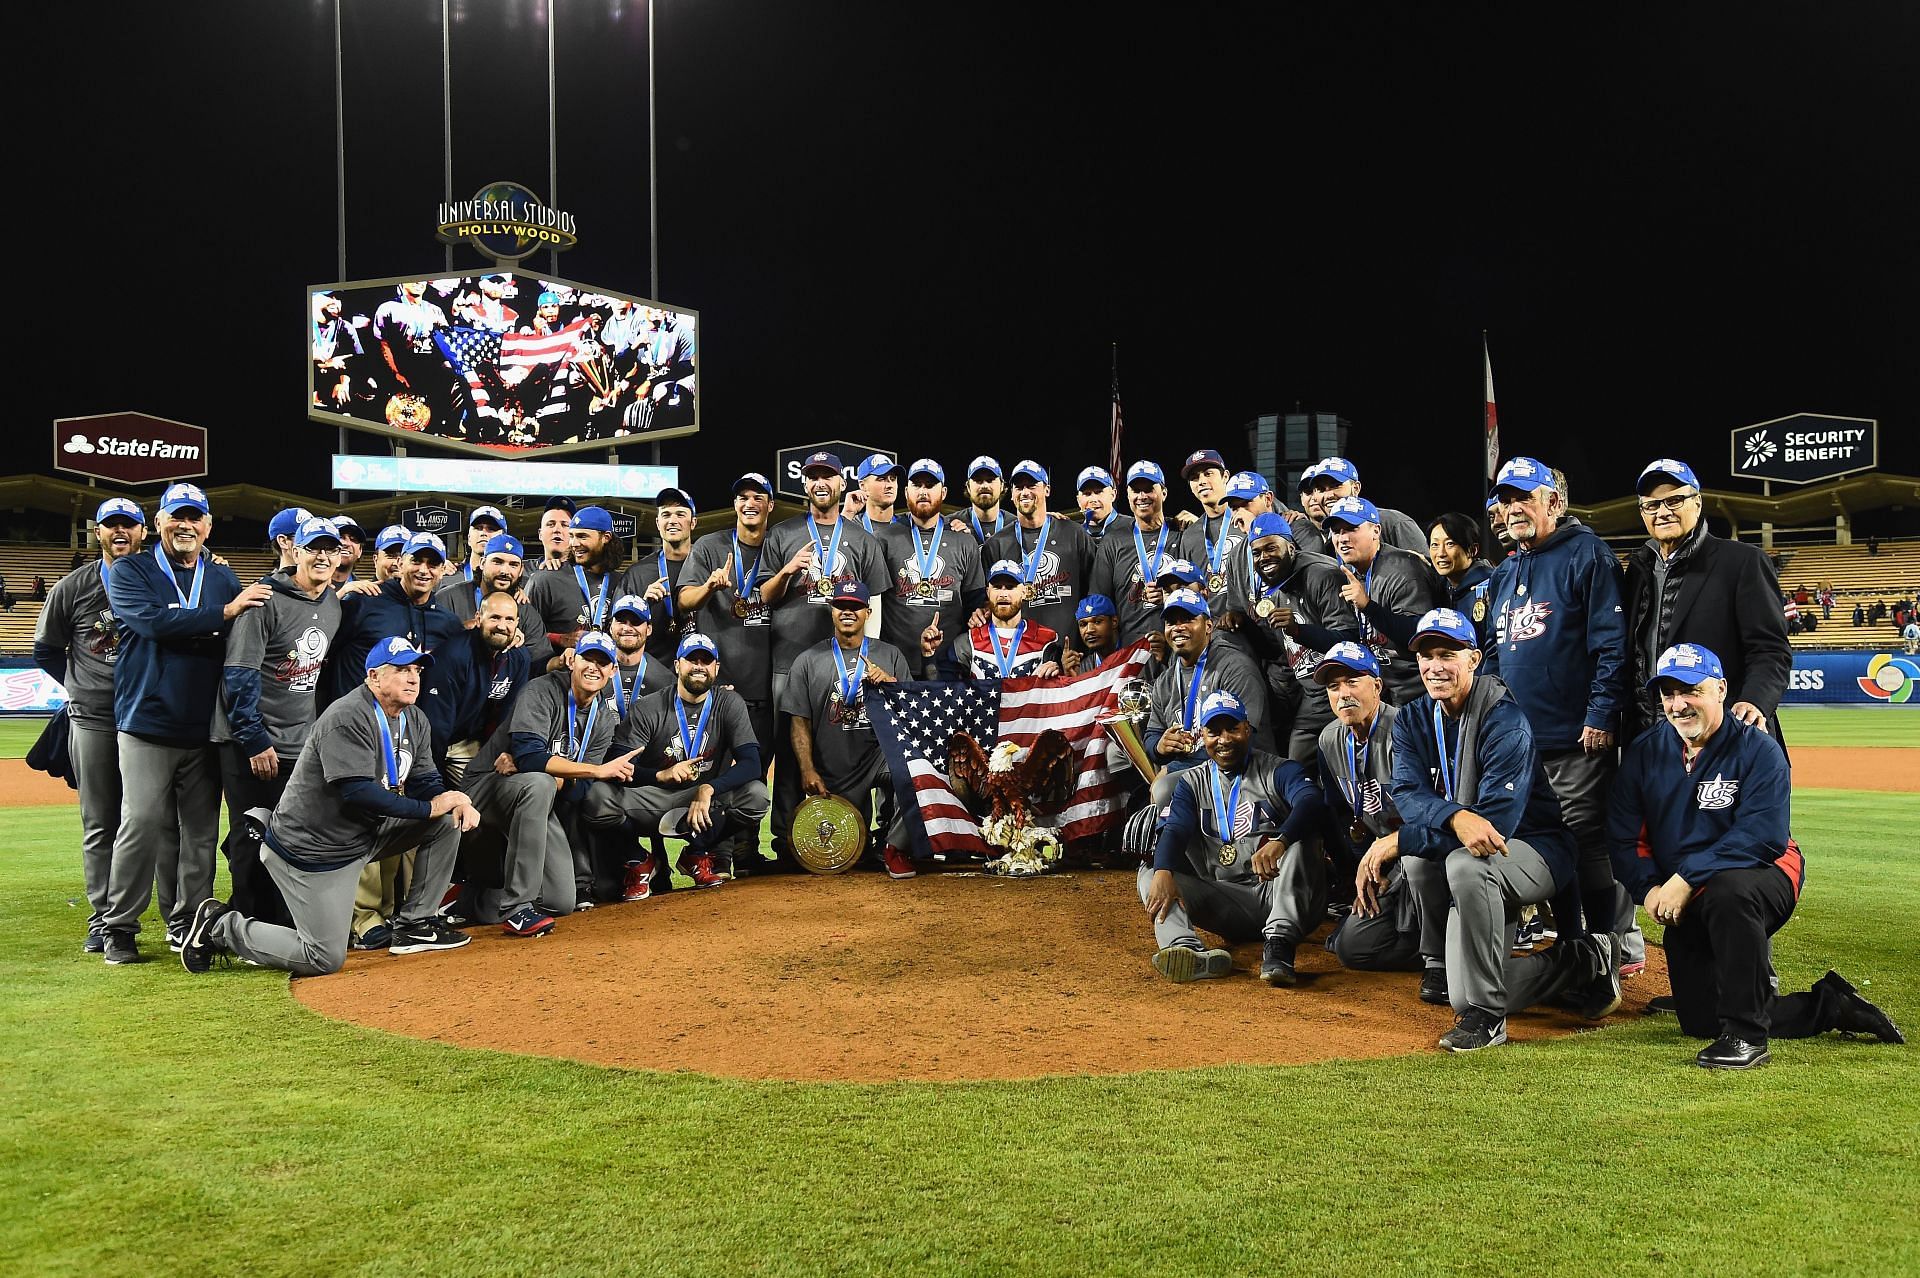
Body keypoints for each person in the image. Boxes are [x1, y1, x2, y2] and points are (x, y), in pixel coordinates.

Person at [1609, 643, 1904, 1068]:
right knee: (1700, 1020)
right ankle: (1829, 1006)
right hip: (1685, 889)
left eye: (1691, 690)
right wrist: (1650, 887)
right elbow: (1623, 837)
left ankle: (1746, 1037)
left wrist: (1685, 878)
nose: (1678, 704)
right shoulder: (1644, 752)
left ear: (1721, 690)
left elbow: (1761, 838)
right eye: (1668, 693)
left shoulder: (1758, 749)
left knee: (1732, 892)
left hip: (1764, 872)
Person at [1389, 608, 1623, 1053]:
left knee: (1463, 864)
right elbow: (1406, 794)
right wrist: (1455, 817)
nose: (1434, 666)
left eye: (1448, 654)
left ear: (1474, 659)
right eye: (1426, 656)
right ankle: (1584, 959)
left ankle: (1488, 1019)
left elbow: (1494, 827)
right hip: (1474, 852)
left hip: (1536, 849)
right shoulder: (1413, 718)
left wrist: (1406, 836)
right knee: (1463, 993)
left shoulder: (1505, 719)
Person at [178, 636, 479, 977]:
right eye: (400, 670)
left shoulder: (415, 719)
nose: (413, 678)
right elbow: (357, 792)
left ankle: (415, 924)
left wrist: (453, 799)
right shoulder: (347, 716)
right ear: (374, 676)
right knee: (323, 958)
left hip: (362, 835)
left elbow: (425, 779)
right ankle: (219, 925)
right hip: (313, 851)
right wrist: (428, 808)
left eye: (416, 670)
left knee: (447, 821)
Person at [1481, 455, 1638, 975]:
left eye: (1523, 496)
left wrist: (1600, 713)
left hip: (1576, 736)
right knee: (1547, 842)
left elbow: (1611, 646)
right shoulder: (1507, 569)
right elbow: (1495, 653)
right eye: (1505, 500)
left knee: (1587, 842)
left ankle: (1608, 948)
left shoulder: (1587, 554)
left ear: (1555, 501)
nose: (1512, 508)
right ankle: (1572, 941)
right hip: (1523, 741)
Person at [98, 483, 265, 965]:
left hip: (205, 728)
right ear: (158, 523)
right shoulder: (130, 569)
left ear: (208, 526)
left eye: (195, 517)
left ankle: (189, 922)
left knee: (200, 834)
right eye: (176, 516)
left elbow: (242, 634)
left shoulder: (220, 578)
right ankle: (119, 925)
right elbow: (151, 623)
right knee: (143, 822)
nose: (186, 525)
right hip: (147, 722)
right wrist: (222, 614)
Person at [1138, 689, 1326, 986]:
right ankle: (1185, 949)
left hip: (1279, 894)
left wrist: (1281, 840)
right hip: (1228, 900)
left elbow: (1312, 801)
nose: (1224, 739)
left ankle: (1280, 945)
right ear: (1202, 736)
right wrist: (1163, 870)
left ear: (1247, 730)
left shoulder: (1277, 770)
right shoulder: (1192, 782)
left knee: (1303, 842)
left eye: (1233, 729)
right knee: (1150, 874)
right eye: (1214, 731)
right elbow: (1176, 830)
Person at [212, 516, 344, 928]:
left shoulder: (333, 603)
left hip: (298, 742)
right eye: (313, 547)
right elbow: (240, 673)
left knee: (288, 833)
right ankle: (249, 925)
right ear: (296, 552)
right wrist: (254, 739)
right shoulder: (264, 600)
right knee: (252, 832)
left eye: (330, 548)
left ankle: (278, 919)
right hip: (250, 741)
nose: (322, 555)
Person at [761, 451, 892, 864]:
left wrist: (868, 656)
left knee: (855, 745)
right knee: (789, 752)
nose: (821, 482)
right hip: (788, 660)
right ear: (805, 483)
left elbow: (875, 603)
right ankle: (785, 839)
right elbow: (763, 598)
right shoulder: (782, 535)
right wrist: (787, 570)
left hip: (850, 662)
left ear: (841, 483)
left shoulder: (862, 539)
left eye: (829, 476)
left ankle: (859, 834)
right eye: (814, 476)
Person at [33, 497, 149, 953]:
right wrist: (79, 688)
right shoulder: (72, 587)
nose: (120, 531)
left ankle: (158, 914)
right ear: (96, 532)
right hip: (96, 718)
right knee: (100, 820)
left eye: (129, 525)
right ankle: (104, 917)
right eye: (111, 525)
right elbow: (46, 648)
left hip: (148, 715)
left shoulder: (156, 580)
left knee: (147, 820)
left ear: (144, 532)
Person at [463, 632, 635, 933]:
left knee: (561, 901)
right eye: (587, 658)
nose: (593, 667)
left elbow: (575, 792)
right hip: (486, 788)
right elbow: (530, 756)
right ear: (573, 660)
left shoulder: (605, 721)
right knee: (540, 783)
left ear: (613, 670)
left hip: (537, 798)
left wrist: (553, 772)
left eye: (602, 662)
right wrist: (591, 771)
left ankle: (471, 900)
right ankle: (518, 908)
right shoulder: (540, 691)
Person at [582, 632, 772, 890]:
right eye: (691, 660)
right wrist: (660, 775)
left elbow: (752, 764)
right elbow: (618, 763)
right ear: (677, 665)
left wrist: (709, 788)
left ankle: (697, 852)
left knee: (756, 796)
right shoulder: (648, 707)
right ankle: (640, 860)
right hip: (652, 796)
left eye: (706, 661)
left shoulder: (728, 702)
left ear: (716, 668)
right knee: (597, 797)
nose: (698, 667)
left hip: (702, 798)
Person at [1622, 459, 1792, 743]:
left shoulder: (1742, 562)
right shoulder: (1638, 571)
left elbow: (1770, 649)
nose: (1662, 512)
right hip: (1649, 739)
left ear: (1697, 503)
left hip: (1721, 735)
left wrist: (1755, 701)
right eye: (1651, 505)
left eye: (1674, 501)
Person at [1314, 643, 1448, 997]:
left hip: (1431, 853)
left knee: (1418, 865)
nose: (1343, 694)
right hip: (1385, 859)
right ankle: (1447, 944)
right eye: (1333, 686)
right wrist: (1365, 870)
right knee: (1351, 948)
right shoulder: (1329, 739)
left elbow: (1436, 814)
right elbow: (1340, 815)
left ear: (1377, 685)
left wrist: (1391, 857)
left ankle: (1440, 962)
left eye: (1352, 681)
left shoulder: (1408, 729)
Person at [678, 473, 779, 874]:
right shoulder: (711, 546)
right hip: (718, 689)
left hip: (764, 687)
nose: (749, 502)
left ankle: (747, 854)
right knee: (718, 774)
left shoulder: (778, 545)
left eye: (758, 496)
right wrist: (708, 586)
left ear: (770, 505)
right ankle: (713, 853)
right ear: (735, 504)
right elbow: (684, 600)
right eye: (743, 496)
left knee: (755, 778)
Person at [780, 581, 916, 878]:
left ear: (868, 612)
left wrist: (893, 687)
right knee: (840, 856)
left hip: (879, 756)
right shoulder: (807, 661)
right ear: (832, 611)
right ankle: (870, 843)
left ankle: (895, 846)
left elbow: (910, 715)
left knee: (918, 775)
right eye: (842, 606)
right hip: (835, 766)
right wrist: (807, 769)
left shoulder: (889, 655)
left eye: (855, 606)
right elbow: (799, 721)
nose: (848, 612)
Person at [1229, 511, 1349, 764]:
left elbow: (1348, 642)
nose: (1264, 558)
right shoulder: (1274, 586)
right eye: (1257, 553)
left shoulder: (1321, 575)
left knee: (1340, 766)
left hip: (1343, 688)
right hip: (1313, 697)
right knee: (1296, 764)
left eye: (1271, 548)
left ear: (1291, 548)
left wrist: (1299, 630)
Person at [1311, 496, 1444, 706]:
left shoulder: (1403, 569)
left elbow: (1418, 634)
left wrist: (1367, 606)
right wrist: (1299, 631)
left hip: (1419, 691)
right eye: (1337, 531)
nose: (1342, 538)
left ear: (1376, 531)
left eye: (1351, 529)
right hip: (1385, 691)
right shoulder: (1353, 573)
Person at [1143, 589, 1270, 799]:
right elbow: (1151, 735)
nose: (1178, 628)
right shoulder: (1165, 681)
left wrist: (1173, 768)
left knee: (1164, 788)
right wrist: (1160, 746)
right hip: (1197, 769)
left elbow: (1243, 739)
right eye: (1171, 622)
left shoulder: (1234, 668)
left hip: (1243, 769)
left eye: (1188, 619)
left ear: (1208, 626)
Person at [323, 532, 465, 708]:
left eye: (433, 564)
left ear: (443, 571)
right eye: (416, 561)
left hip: (407, 727)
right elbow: (322, 654)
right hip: (355, 720)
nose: (423, 570)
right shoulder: (363, 601)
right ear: (400, 563)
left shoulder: (448, 623)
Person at [878, 459, 984, 681]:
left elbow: (975, 604)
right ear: (906, 491)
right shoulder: (885, 538)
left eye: (930, 485)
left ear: (943, 492)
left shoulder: (963, 541)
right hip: (895, 665)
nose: (923, 491)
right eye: (917, 485)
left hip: (949, 666)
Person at [984, 460, 1095, 644]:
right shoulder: (996, 544)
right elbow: (987, 603)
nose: (1025, 492)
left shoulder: (1074, 534)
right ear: (1011, 494)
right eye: (1019, 487)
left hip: (1069, 653)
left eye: (1032, 485)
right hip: (1017, 656)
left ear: (1047, 489)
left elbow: (1094, 592)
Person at [524, 505, 627, 665]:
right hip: (559, 677)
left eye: (582, 536)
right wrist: (560, 639)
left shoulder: (622, 582)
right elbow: (524, 633)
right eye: (571, 536)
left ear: (606, 537)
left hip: (608, 679)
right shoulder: (545, 581)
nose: (574, 543)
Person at [1090, 461, 1177, 646]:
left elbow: (1198, 590)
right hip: (1129, 652)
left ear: (1164, 492)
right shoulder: (1113, 541)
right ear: (1128, 495)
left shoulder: (1181, 533)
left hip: (1177, 648)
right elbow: (1099, 603)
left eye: (1149, 489)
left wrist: (1170, 596)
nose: (1142, 496)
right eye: (1136, 490)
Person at [944, 560, 1064, 679]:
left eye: (1010, 587)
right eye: (997, 587)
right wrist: (929, 657)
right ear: (988, 592)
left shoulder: (1048, 641)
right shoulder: (966, 643)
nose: (1003, 594)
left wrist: (1062, 672)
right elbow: (942, 690)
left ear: (1024, 592)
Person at [1290, 457, 1426, 559]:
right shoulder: (1332, 541)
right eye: (1320, 489)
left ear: (1355, 488)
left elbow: (1430, 574)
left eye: (1336, 485)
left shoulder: (1392, 522)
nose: (1329, 495)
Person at [623, 485, 697, 664]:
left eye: (680, 514)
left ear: (693, 522)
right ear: (658, 523)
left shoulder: (708, 566)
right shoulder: (637, 573)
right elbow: (618, 628)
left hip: (700, 669)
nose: (672, 520)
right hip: (653, 674)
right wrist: (642, 605)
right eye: (666, 514)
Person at [1175, 448, 1242, 619]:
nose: (1201, 481)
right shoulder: (1190, 536)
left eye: (1208, 473)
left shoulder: (1247, 516)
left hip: (1253, 621)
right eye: (1194, 478)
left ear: (1225, 476)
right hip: (1212, 628)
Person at [1426, 512, 1495, 620]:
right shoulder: (1438, 589)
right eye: (1435, 545)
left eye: (1450, 544)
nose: (1441, 553)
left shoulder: (1492, 585)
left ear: (1472, 550)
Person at [951, 456, 1011, 546]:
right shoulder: (951, 525)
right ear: (968, 487)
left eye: (990, 480)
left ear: (1002, 485)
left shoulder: (1015, 527)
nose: (984, 486)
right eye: (978, 480)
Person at [1063, 595, 1123, 675]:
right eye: (1083, 624)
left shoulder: (1136, 654)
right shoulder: (1083, 668)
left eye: (1097, 622)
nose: (1089, 630)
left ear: (1114, 622)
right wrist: (1074, 679)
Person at [1074, 466, 1129, 541]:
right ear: (1078, 500)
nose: (1093, 500)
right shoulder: (1071, 533)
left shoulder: (1132, 527)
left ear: (1113, 495)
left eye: (1099, 492)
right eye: (1087, 494)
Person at [329, 515, 367, 589]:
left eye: (353, 539)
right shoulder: (304, 585)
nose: (346, 543)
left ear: (360, 551)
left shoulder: (363, 593)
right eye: (340, 537)